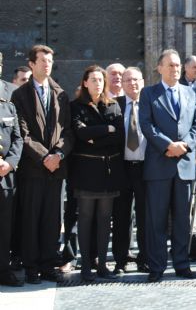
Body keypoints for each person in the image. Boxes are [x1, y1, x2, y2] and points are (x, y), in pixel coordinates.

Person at [138, 49, 196, 282]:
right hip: (159, 165)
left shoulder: (191, 93)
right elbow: (146, 124)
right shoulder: (149, 93)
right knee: (156, 219)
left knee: (182, 221)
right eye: (171, 65)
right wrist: (168, 145)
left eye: (178, 66)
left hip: (184, 166)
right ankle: (156, 267)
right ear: (159, 68)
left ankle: (181, 264)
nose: (175, 69)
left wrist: (184, 145)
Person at [11, 44, 74, 284]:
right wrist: (44, 157)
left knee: (51, 220)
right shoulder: (20, 95)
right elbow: (23, 134)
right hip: (33, 170)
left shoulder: (60, 93)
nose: (47, 64)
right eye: (43, 61)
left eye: (50, 61)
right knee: (31, 219)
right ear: (31, 64)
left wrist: (58, 154)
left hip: (56, 169)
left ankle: (49, 265)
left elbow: (67, 131)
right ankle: (31, 267)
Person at [69, 65, 125, 281]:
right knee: (85, 218)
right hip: (85, 172)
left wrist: (96, 137)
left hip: (108, 172)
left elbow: (119, 136)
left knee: (104, 219)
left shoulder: (113, 106)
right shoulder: (76, 107)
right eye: (93, 79)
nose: (97, 83)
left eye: (101, 79)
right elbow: (81, 134)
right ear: (85, 82)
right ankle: (85, 266)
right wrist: (106, 129)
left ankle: (102, 264)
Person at [112, 67, 150, 275]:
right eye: (127, 80)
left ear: (142, 82)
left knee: (145, 215)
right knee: (121, 215)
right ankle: (121, 259)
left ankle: (144, 257)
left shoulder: (150, 105)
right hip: (122, 168)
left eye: (135, 80)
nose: (131, 84)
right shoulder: (114, 106)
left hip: (145, 168)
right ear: (122, 84)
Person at [0, 95, 24, 287]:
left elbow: (17, 138)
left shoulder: (8, 107)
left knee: (5, 228)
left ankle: (3, 270)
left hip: (5, 177)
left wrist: (10, 162)